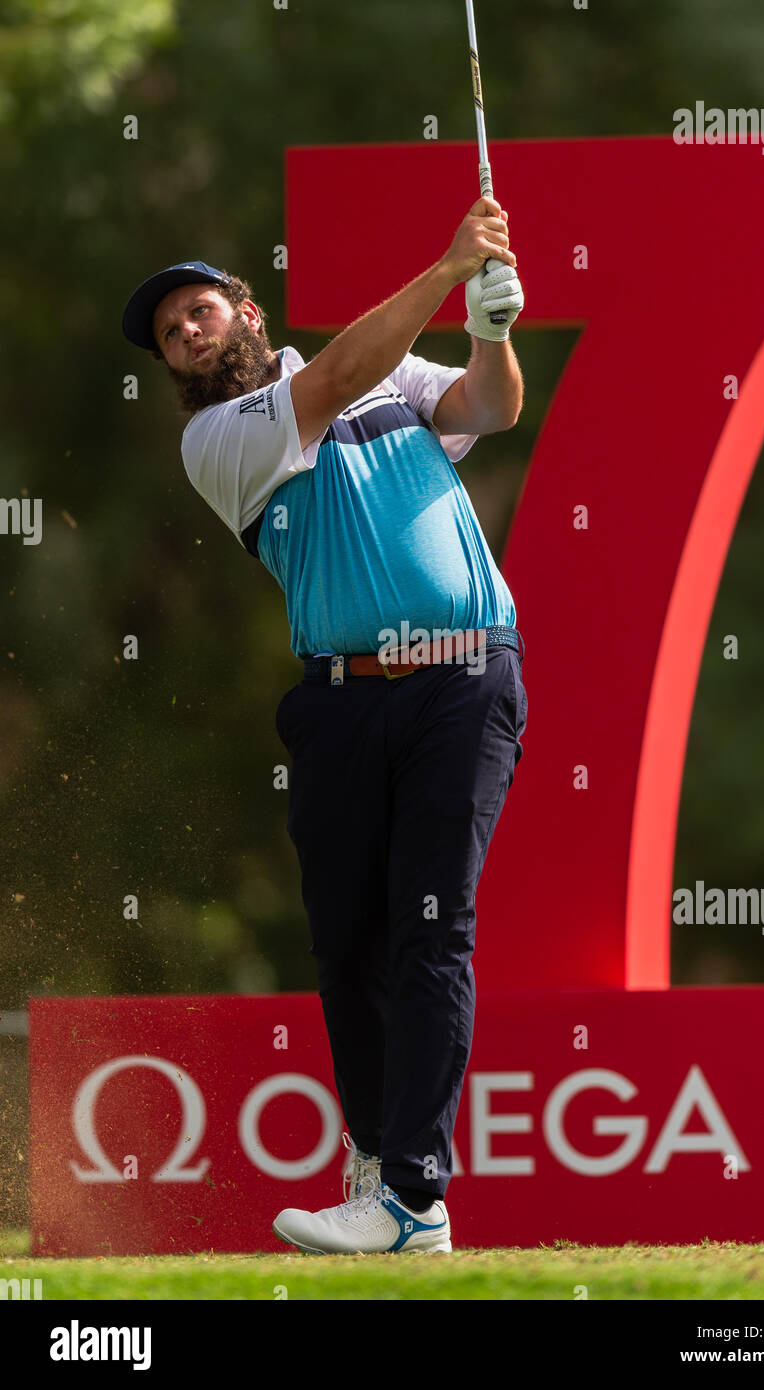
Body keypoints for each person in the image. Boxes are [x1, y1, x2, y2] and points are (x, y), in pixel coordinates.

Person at [121, 196, 528, 1254]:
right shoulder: (217, 439)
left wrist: (491, 321)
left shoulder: (384, 371)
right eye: (171, 334)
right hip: (343, 702)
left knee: (432, 929)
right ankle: (378, 1172)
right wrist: (447, 266)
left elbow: (492, 407)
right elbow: (337, 379)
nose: (187, 335)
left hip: (462, 681)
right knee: (350, 948)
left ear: (246, 309)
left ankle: (411, 1195)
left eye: (198, 312)